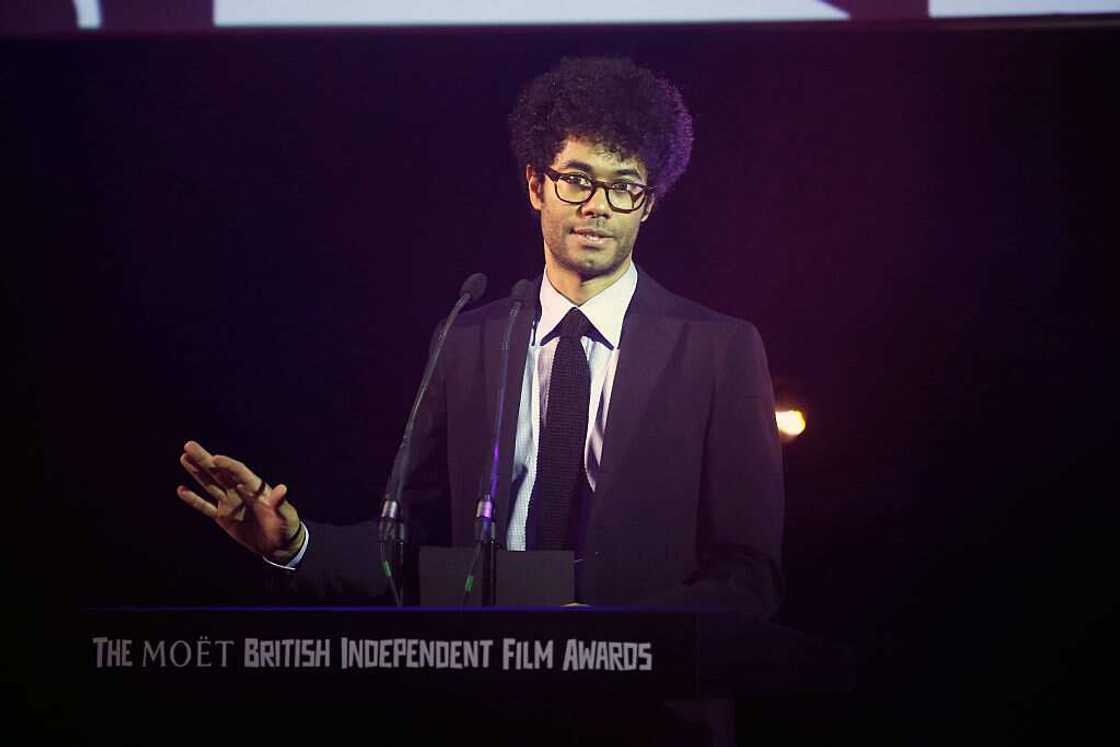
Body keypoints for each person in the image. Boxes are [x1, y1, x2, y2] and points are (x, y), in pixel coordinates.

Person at [177, 55, 783, 613]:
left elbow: (749, 575)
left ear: (647, 204)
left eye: (624, 186)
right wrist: (295, 543)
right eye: (577, 178)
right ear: (535, 185)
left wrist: (611, 636)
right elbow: (408, 542)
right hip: (493, 692)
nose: (598, 205)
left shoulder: (718, 349)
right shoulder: (468, 340)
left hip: (651, 705)